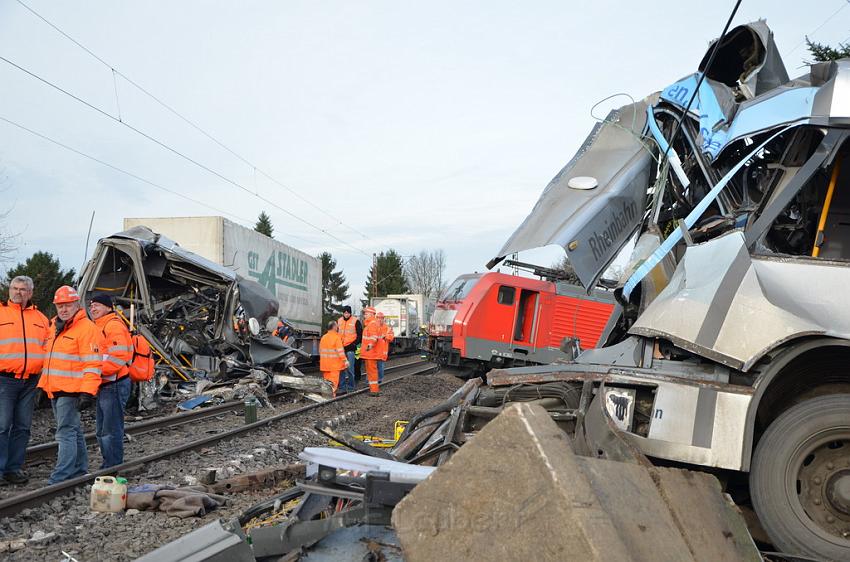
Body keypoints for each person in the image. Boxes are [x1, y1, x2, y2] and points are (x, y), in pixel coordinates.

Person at [39, 286, 102, 484]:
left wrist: (87, 392)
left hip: (71, 390)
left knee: (64, 432)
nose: (63, 309)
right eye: (60, 306)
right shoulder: (54, 327)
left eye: (67, 305)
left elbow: (93, 363)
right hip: (55, 389)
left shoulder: (86, 329)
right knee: (73, 430)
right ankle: (79, 469)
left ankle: (61, 476)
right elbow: (50, 360)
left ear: (76, 304)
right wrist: (43, 386)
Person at [0, 276, 50, 485]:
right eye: (14, 288)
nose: (18, 292)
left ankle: (13, 468)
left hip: (30, 382)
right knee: (2, 426)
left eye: (22, 289)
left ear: (30, 293)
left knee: (22, 426)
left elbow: (49, 348)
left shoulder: (40, 319)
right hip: (4, 380)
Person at [88, 294, 133, 469]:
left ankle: (112, 465)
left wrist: (97, 372)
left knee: (110, 429)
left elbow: (120, 355)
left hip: (113, 384)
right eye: (91, 306)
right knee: (103, 429)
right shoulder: (99, 326)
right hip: (106, 384)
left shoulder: (112, 325)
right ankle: (110, 462)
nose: (93, 308)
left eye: (97, 305)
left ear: (108, 307)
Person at [318, 320, 348, 397]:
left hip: (325, 365)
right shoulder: (336, 337)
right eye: (337, 326)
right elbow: (340, 351)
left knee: (326, 382)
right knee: (333, 383)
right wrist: (345, 360)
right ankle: (331, 397)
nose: (338, 327)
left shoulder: (323, 337)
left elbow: (321, 351)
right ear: (334, 327)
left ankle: (325, 396)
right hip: (334, 365)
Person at [337, 306, 361, 394]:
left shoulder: (356, 321)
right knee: (341, 369)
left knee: (350, 369)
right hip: (341, 348)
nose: (346, 314)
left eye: (348, 313)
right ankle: (342, 387)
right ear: (343, 313)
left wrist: (354, 344)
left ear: (350, 313)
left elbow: (359, 335)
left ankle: (351, 386)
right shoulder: (339, 321)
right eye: (345, 313)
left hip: (350, 348)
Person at [360, 307, 382, 396]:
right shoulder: (370, 324)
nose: (365, 315)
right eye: (364, 313)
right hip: (369, 353)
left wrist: (370, 345)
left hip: (371, 353)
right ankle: (373, 389)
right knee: (371, 372)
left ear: (372, 314)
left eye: (366, 313)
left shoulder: (372, 324)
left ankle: (374, 391)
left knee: (372, 372)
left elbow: (374, 337)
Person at [375, 312, 394, 384]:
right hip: (375, 350)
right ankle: (374, 380)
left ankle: (380, 380)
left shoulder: (387, 328)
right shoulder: (374, 327)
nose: (380, 320)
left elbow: (391, 337)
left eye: (381, 318)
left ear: (383, 319)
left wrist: (385, 337)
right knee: (374, 367)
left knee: (380, 366)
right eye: (378, 318)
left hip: (382, 351)